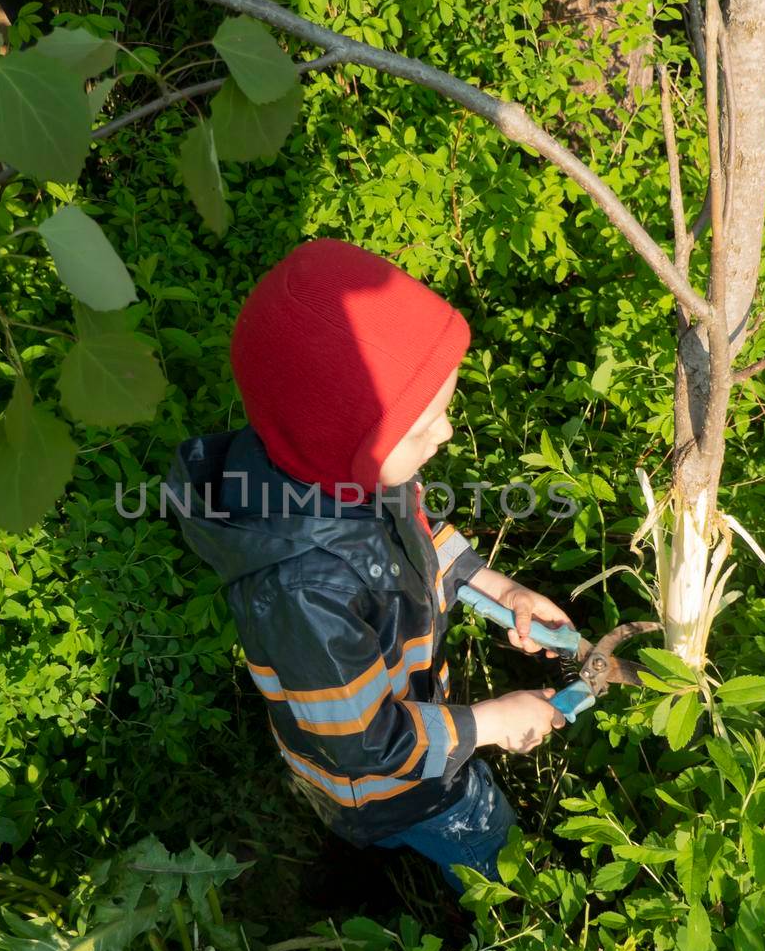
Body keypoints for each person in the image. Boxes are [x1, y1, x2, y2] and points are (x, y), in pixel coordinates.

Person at [167, 238, 574, 892]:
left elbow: (415, 528)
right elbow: (366, 742)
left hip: (380, 726)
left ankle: (366, 841)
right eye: (424, 426)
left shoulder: (339, 465)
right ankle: (511, 907)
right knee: (477, 833)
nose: (442, 435)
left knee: (369, 816)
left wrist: (499, 588)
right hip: (387, 774)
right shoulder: (301, 586)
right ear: (344, 439)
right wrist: (493, 723)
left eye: (444, 410)